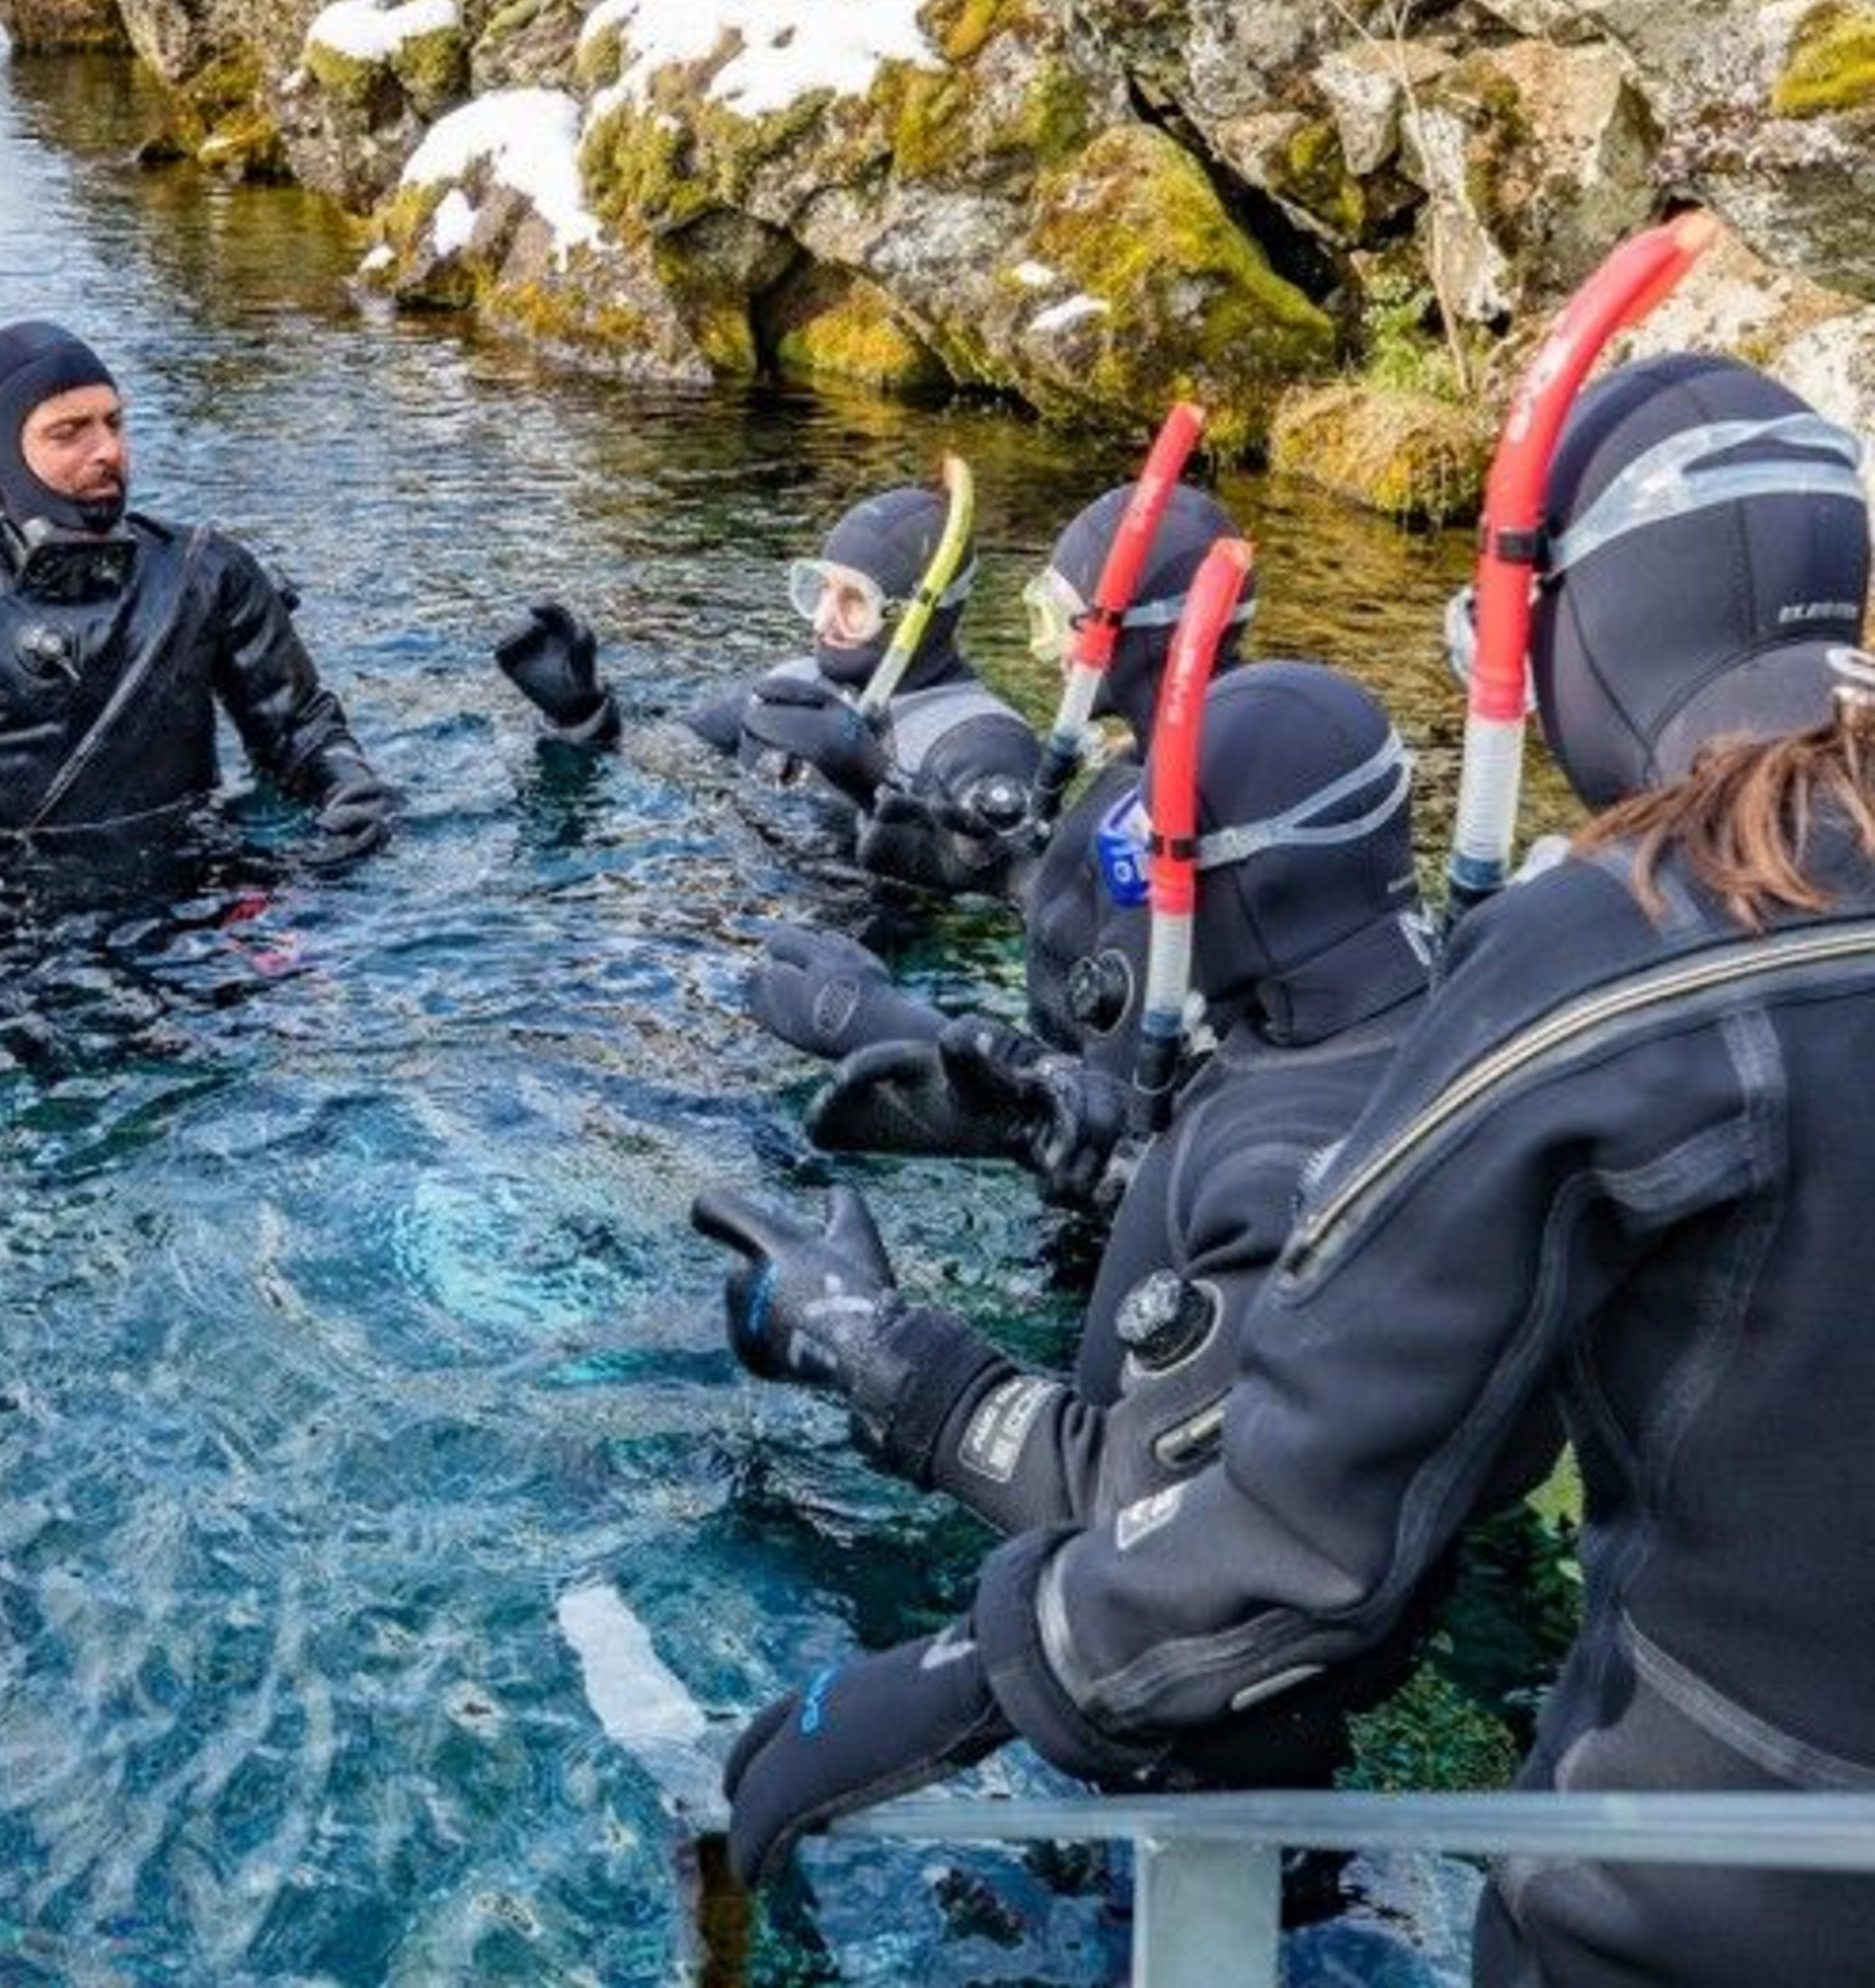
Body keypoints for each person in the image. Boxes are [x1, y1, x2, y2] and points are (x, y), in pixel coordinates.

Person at [718, 353, 1875, 1988]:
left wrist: (957, 1607)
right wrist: (1000, 1095)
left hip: (1683, 1895)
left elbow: (1289, 1519)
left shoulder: (1609, 961)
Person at [694, 662, 1438, 1589]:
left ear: (1248, 875)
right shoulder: (1370, 1034)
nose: (1125, 918)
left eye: (1144, 874)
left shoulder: (1289, 1153)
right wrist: (1044, 1131)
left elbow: (1139, 1511)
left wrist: (861, 1341)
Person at [0, 319, 392, 932]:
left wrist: (350, 788)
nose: (108, 450)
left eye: (115, 423)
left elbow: (303, 732)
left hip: (202, 906)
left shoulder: (206, 573)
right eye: (70, 432)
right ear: (4, 452)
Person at [742, 484, 1252, 1170]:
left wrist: (884, 1022)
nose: (1049, 650)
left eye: (1059, 617)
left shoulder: (1204, 799)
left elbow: (1130, 1121)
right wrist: (999, 870)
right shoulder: (1143, 776)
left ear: (1138, 633)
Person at [494, 481, 1038, 889]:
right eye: (820, 589)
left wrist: (869, 779)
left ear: (920, 615)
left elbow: (1005, 879)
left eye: (854, 602)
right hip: (730, 911)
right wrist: (581, 714)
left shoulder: (981, 741)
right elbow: (660, 755)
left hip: (862, 966)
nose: (823, 620)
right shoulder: (791, 683)